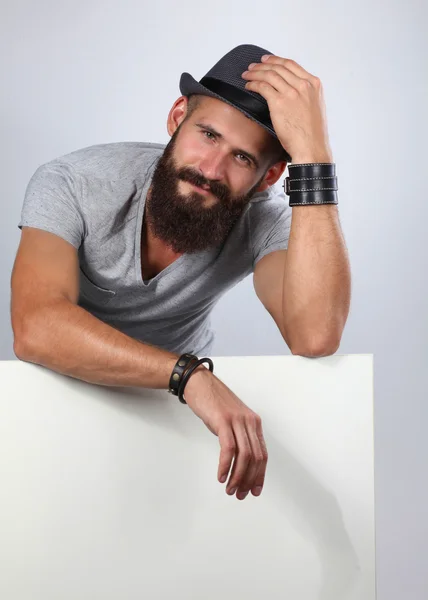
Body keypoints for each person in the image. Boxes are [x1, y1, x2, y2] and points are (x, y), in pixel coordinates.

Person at [10, 44, 348, 502]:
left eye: (243, 158)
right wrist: (188, 376)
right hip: (53, 396)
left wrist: (315, 157)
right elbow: (35, 326)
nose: (211, 169)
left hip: (174, 420)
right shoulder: (75, 181)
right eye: (207, 134)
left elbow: (314, 334)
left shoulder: (262, 220)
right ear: (176, 117)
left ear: (269, 178)